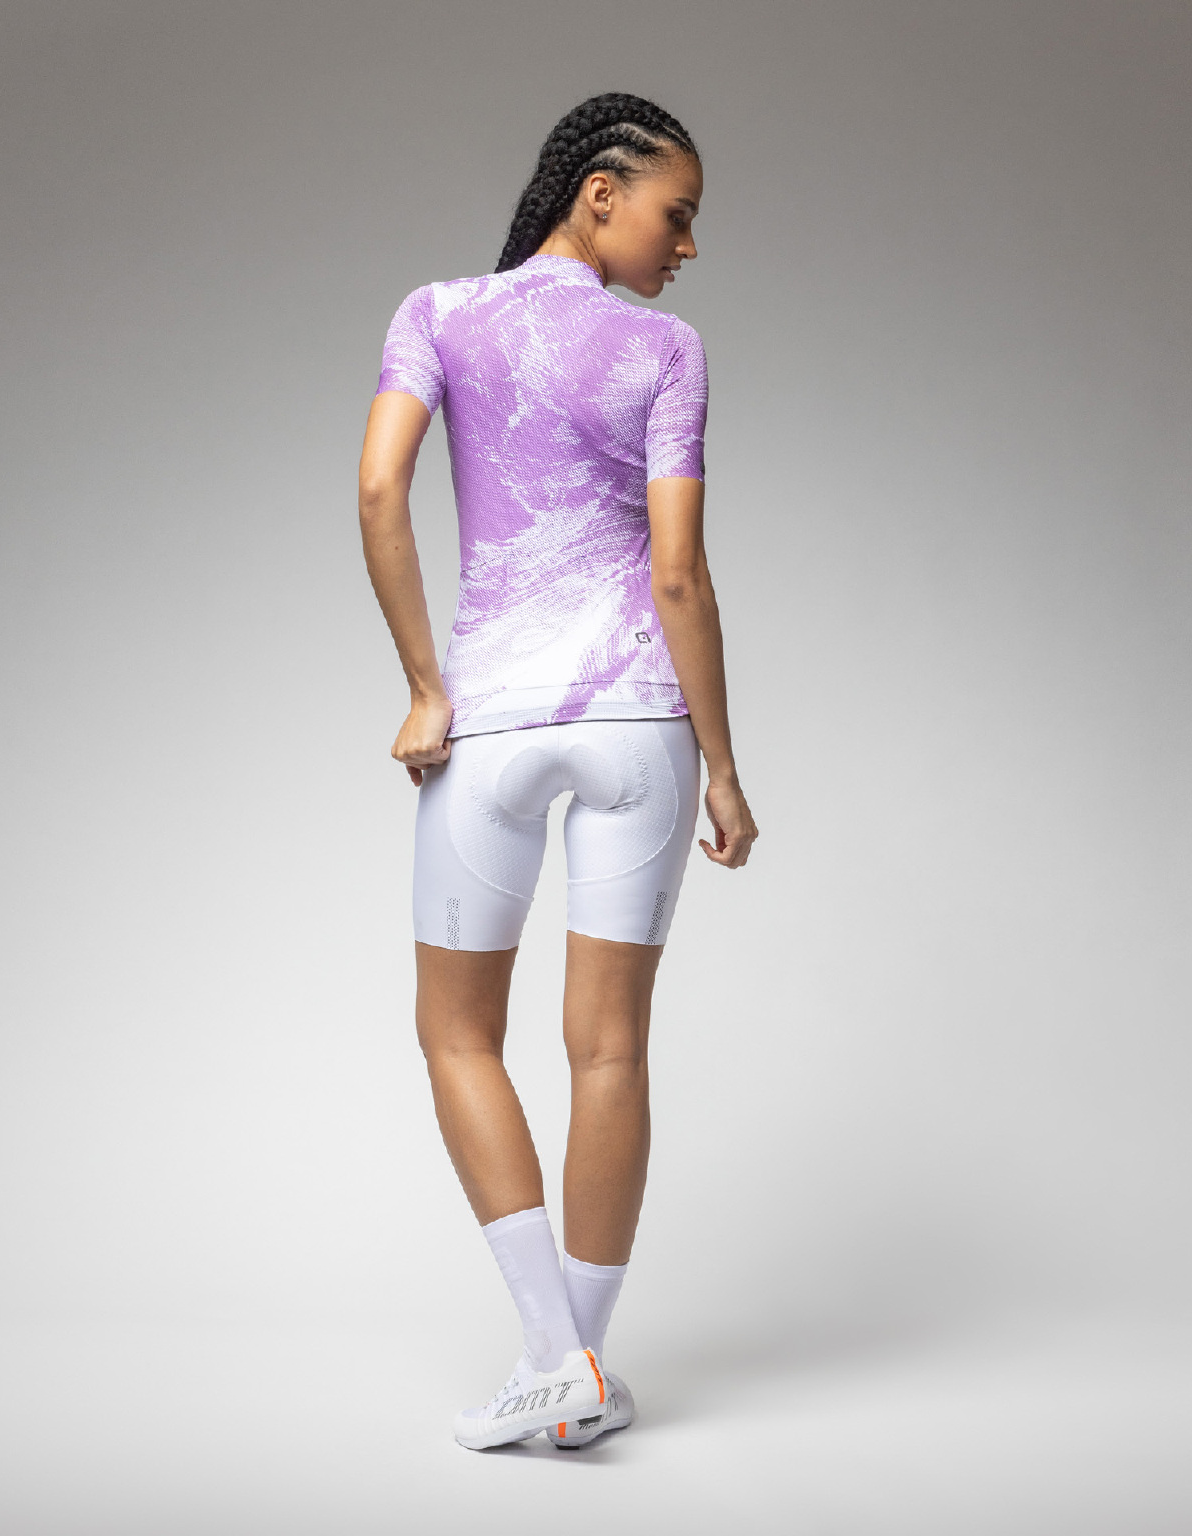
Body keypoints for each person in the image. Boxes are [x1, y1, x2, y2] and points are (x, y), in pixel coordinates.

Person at [357, 92, 758, 1451]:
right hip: (641, 721)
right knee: (612, 1047)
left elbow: (378, 490)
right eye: (676, 214)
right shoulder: (669, 352)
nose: (687, 246)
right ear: (600, 192)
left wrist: (426, 686)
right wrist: (723, 767)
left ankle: (550, 1356)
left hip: (488, 727)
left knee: (456, 1035)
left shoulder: (436, 315)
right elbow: (678, 574)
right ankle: (577, 1373)